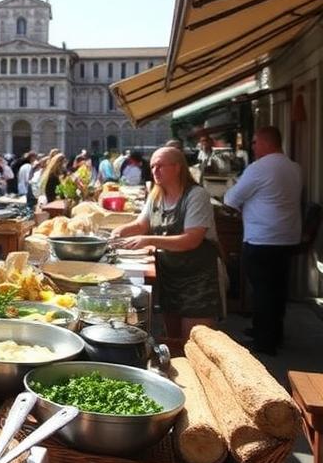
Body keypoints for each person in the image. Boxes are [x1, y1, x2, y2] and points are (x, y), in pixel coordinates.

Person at [111, 146, 221, 345]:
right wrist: (119, 231)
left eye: (160, 166)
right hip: (169, 276)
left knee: (195, 342)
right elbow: (141, 224)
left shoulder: (196, 196)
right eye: (153, 166)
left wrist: (149, 240)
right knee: (173, 338)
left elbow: (191, 239)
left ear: (177, 168)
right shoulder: (156, 195)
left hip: (197, 280)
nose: (154, 171)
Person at [223, 126, 302, 356]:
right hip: (287, 237)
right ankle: (272, 333)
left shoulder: (259, 168)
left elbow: (231, 198)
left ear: (267, 142)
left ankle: (264, 342)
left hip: (262, 238)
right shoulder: (294, 167)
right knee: (278, 290)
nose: (253, 146)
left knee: (262, 291)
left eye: (256, 142)